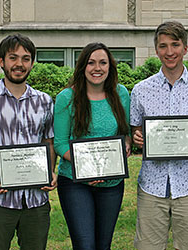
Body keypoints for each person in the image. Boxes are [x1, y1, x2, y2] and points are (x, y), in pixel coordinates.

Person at [130, 21, 188, 250]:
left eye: (175, 45)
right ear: (156, 50)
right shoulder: (141, 90)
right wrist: (138, 137)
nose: (170, 52)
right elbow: (136, 128)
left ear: (185, 48)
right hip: (151, 184)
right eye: (163, 46)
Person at [0, 34, 57, 250]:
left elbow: (48, 141)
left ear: (32, 63)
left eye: (26, 58)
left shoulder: (44, 102)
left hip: (36, 199)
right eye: (13, 57)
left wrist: (50, 171)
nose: (19, 64)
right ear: (1, 62)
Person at [53, 42, 131, 250]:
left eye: (103, 63)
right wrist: (88, 167)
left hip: (112, 183)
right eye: (91, 63)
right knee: (85, 245)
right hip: (74, 181)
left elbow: (126, 135)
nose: (97, 68)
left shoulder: (121, 94)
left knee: (103, 245)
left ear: (110, 66)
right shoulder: (66, 98)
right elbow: (60, 143)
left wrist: (126, 146)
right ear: (82, 67)